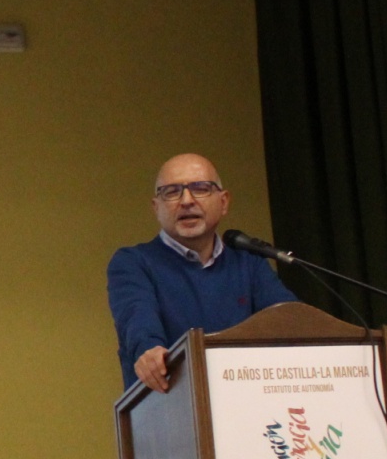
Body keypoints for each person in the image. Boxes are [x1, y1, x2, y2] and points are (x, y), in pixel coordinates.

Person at [106, 153, 297, 393]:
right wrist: (148, 350)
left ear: (224, 201)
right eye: (172, 192)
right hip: (172, 404)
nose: (186, 200)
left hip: (250, 402)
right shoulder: (134, 263)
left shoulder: (249, 263)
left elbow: (290, 322)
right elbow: (137, 319)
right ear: (156, 207)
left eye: (200, 188)